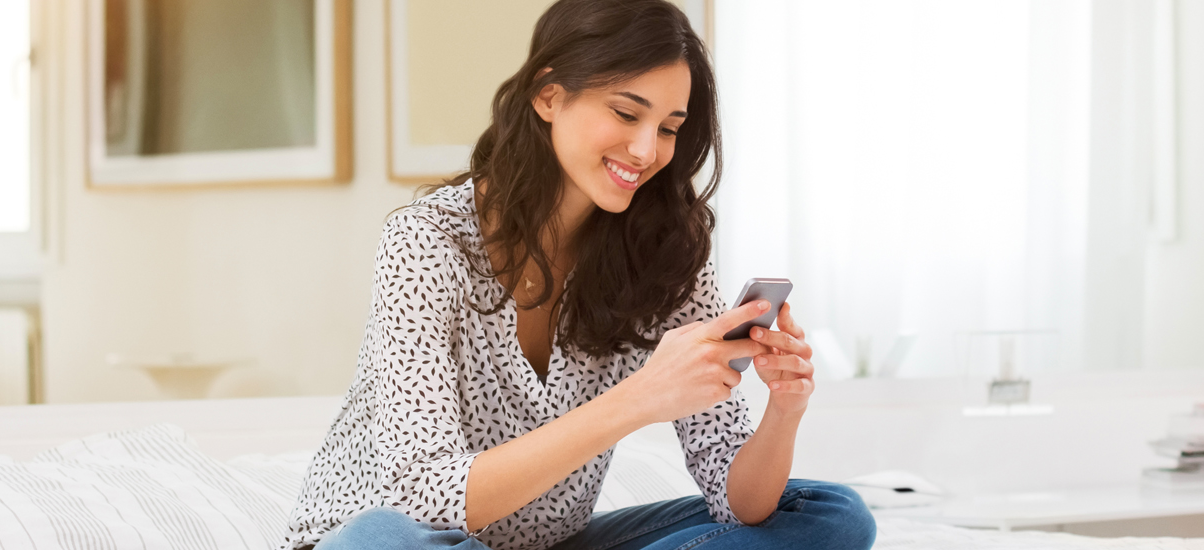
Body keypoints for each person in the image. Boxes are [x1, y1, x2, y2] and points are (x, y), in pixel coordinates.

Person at [280, 1, 877, 549]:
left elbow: (737, 501)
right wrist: (639, 399)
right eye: (625, 113)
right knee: (381, 539)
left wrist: (784, 411)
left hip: (551, 544)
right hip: (403, 538)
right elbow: (424, 497)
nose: (646, 150)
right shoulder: (427, 241)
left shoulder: (662, 253)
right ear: (548, 95)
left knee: (830, 514)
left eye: (669, 128)